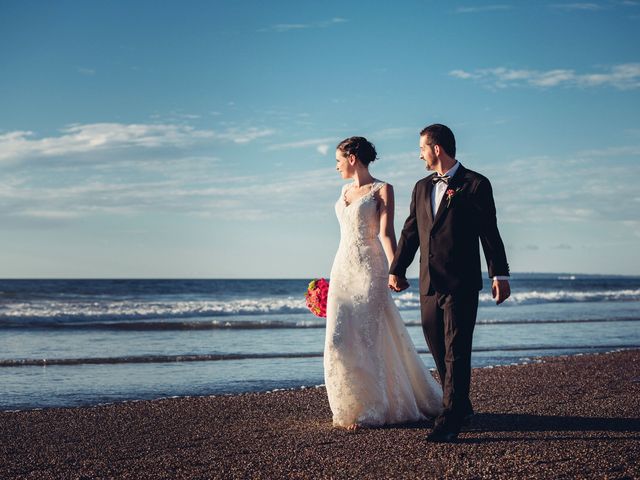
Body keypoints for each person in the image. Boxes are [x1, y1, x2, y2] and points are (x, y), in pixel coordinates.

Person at [389, 124, 511, 442]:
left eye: (421, 148)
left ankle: (450, 418)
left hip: (462, 282)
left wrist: (499, 273)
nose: (419, 154)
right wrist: (397, 269)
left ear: (437, 148)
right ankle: (461, 404)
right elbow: (410, 232)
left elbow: (489, 231)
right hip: (429, 283)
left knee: (457, 350)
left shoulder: (475, 184)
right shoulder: (420, 188)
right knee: (436, 342)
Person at [324, 136, 443, 431]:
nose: (336, 167)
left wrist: (396, 270)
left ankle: (372, 409)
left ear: (352, 158)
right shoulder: (343, 190)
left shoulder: (382, 189)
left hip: (370, 267)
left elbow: (388, 234)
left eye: (338, 160)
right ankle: (350, 404)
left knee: (367, 336)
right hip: (342, 267)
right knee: (339, 339)